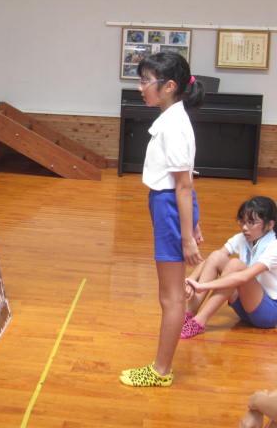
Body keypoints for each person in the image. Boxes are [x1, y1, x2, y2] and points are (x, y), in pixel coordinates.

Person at [119, 52, 205, 387]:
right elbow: (185, 181)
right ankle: (161, 368)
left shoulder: (175, 126)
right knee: (170, 294)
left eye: (146, 81)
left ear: (168, 86)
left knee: (171, 297)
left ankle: (160, 371)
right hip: (168, 205)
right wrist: (193, 222)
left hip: (170, 208)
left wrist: (187, 236)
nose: (141, 87)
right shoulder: (172, 119)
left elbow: (183, 185)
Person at [184, 196, 277, 338]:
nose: (244, 227)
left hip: (267, 313)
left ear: (270, 225)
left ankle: (199, 322)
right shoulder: (242, 238)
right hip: (245, 308)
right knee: (217, 256)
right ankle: (189, 314)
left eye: (251, 223)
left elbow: (244, 277)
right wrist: (191, 280)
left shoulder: (274, 246)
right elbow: (211, 260)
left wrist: (203, 286)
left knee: (235, 265)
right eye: (242, 222)